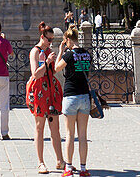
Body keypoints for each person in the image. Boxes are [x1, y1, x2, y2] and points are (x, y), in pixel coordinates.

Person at [27, 22, 64, 175]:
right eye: (49, 39)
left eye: (52, 40)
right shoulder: (35, 52)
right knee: (39, 127)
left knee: (55, 127)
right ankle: (41, 162)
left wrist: (60, 52)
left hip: (51, 90)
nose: (51, 42)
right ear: (42, 37)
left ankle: (60, 161)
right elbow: (35, 74)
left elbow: (53, 71)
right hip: (39, 91)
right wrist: (47, 61)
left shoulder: (48, 51)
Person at [55, 25, 92, 177]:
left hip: (70, 96)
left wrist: (60, 52)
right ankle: (83, 169)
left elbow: (57, 68)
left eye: (66, 41)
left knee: (70, 134)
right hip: (84, 96)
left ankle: (68, 168)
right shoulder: (87, 54)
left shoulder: (69, 55)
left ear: (69, 40)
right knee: (82, 135)